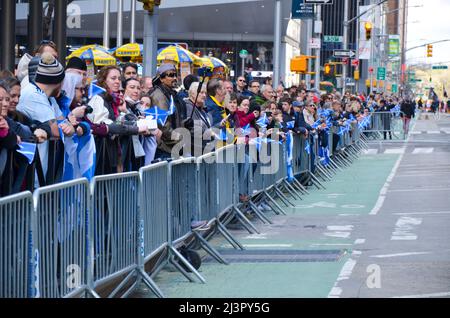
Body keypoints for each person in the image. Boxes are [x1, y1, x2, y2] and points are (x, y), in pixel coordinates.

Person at [149, 63, 181, 159]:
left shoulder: (170, 93)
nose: (174, 78)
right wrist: (180, 138)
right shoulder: (159, 96)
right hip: (164, 149)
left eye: (175, 75)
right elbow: (163, 125)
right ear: (161, 79)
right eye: (171, 75)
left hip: (171, 147)